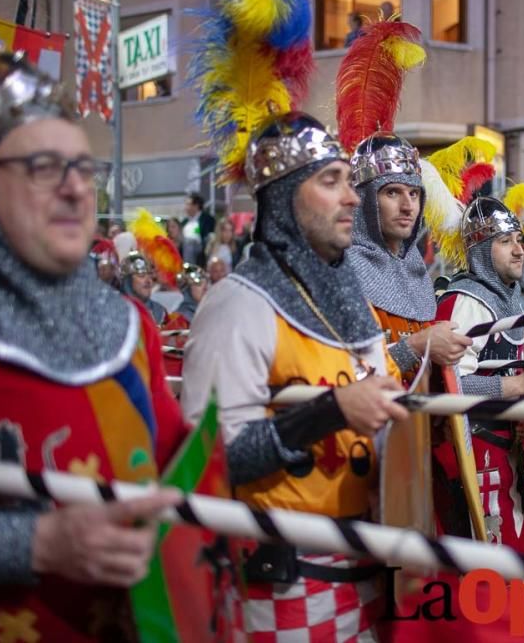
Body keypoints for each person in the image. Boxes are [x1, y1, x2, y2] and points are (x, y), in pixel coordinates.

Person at [0, 31, 185, 639]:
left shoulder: (127, 325)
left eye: (84, 167)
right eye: (42, 167)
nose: (75, 187)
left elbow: (178, 476)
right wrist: (36, 543)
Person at [181, 112, 407, 640]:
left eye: (351, 181)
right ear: (283, 195)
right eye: (331, 182)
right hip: (284, 585)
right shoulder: (238, 305)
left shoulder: (353, 305)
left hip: (371, 569)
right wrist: (330, 412)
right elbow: (209, 456)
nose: (353, 197)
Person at [434, 197, 524, 554]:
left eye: (519, 240)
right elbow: (449, 386)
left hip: (510, 454)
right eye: (505, 242)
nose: (520, 251)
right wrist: (517, 384)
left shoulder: (513, 300)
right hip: (472, 456)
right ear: (482, 250)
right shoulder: (465, 302)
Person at [346, 133, 472, 380]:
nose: (408, 206)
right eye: (392, 192)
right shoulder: (342, 271)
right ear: (363, 200)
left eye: (414, 193)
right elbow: (342, 375)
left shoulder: (416, 271)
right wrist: (416, 346)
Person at [120, 250, 169, 326]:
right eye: (141, 275)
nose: (148, 281)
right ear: (128, 281)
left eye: (150, 275)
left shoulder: (160, 312)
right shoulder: (116, 311)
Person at [164, 263, 208, 329]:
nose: (205, 288)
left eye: (207, 283)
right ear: (187, 289)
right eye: (199, 284)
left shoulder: (211, 311)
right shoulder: (177, 318)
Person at [181, 192, 215, 266]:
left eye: (188, 204)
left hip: (201, 252)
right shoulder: (184, 222)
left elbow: (209, 237)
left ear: (196, 206)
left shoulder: (207, 219)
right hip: (185, 251)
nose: (185, 207)